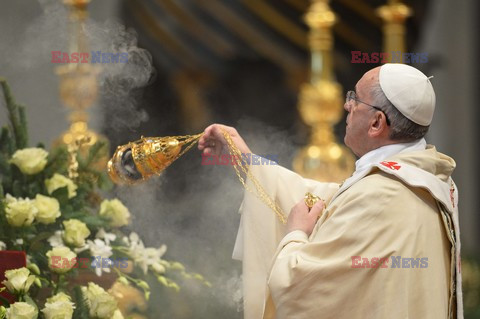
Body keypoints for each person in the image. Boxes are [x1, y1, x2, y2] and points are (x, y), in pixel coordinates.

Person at [198, 63, 463, 319]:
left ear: (376, 123)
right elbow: (335, 200)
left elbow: (298, 287)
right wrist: (246, 160)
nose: (347, 105)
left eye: (355, 99)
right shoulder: (428, 181)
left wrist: (296, 234)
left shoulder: (379, 195)